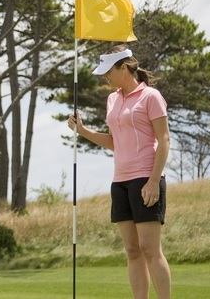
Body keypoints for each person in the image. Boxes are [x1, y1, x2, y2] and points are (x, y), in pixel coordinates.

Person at [67, 45, 172, 299]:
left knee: (149, 249)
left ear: (123, 67)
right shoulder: (113, 99)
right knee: (132, 250)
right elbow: (115, 142)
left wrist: (152, 181)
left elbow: (164, 139)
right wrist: (83, 131)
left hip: (145, 178)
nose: (105, 77)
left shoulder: (150, 96)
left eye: (108, 72)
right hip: (120, 181)